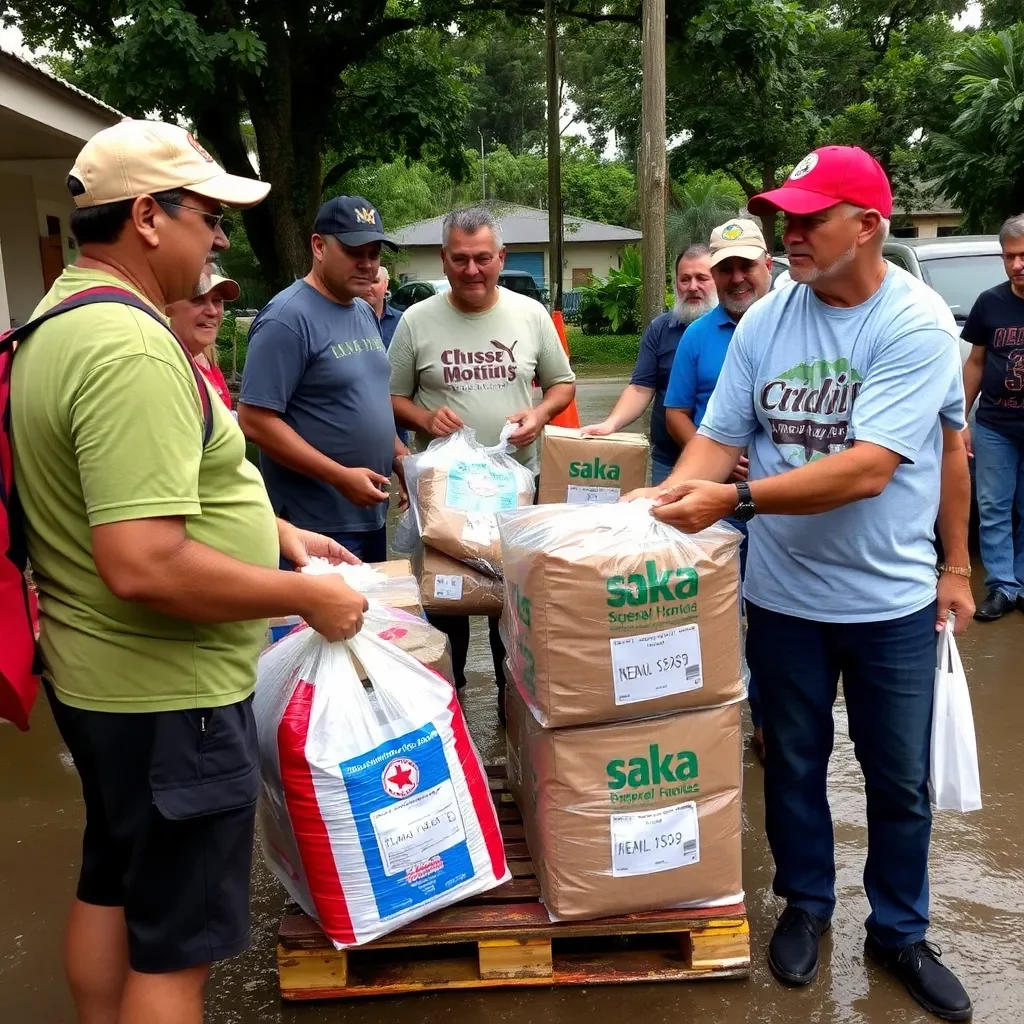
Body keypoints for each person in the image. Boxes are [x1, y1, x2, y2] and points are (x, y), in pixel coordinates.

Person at [10, 119, 367, 1024]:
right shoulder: (131, 348)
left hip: (100, 684)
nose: (217, 238)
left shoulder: (56, 320)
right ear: (146, 217)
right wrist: (305, 598)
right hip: (167, 697)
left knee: (114, 883)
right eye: (206, 216)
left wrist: (273, 534)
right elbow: (142, 561)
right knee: (176, 953)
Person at [627, 147, 975, 1022]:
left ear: (867, 226)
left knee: (897, 780)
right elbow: (717, 435)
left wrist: (957, 566)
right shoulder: (766, 321)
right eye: (787, 215)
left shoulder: (918, 323)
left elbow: (872, 469)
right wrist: (659, 498)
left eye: (811, 217)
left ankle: (898, 930)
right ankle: (807, 906)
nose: (792, 232)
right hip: (782, 599)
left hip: (888, 600)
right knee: (791, 762)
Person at [389, 207, 576, 715]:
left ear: (502, 258)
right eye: (460, 259)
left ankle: (513, 709)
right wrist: (426, 420)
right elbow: (391, 398)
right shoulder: (416, 320)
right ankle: (446, 712)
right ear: (444, 260)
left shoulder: (529, 314)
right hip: (447, 495)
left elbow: (563, 384)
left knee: (512, 606)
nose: (472, 270)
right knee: (445, 603)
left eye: (483, 259)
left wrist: (539, 414)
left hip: (516, 490)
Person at [239, 196, 409, 564]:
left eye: (374, 253)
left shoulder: (363, 311)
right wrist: (338, 476)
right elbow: (255, 420)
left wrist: (400, 457)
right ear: (318, 246)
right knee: (319, 624)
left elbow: (370, 397)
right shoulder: (286, 319)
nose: (366, 264)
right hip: (313, 527)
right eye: (353, 251)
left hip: (369, 516)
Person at [662, 218, 772, 761]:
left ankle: (768, 719)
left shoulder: (785, 325)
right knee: (719, 610)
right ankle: (721, 715)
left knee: (771, 616)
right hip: (718, 497)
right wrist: (715, 470)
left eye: (742, 267)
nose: (734, 279)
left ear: (766, 266)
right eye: (723, 269)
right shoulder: (698, 336)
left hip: (783, 507)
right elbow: (679, 412)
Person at [581, 244, 716, 483]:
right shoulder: (661, 329)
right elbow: (640, 388)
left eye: (701, 278)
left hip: (723, 458)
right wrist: (611, 423)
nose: (692, 287)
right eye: (685, 279)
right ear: (676, 284)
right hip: (669, 460)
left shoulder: (737, 330)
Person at [961, 213, 1024, 621]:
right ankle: (1002, 586)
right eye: (1009, 256)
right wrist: (962, 421)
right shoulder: (990, 302)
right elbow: (976, 364)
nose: (1018, 264)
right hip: (996, 426)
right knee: (993, 506)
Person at [166, 262, 239, 408]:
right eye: (198, 299)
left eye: (217, 300)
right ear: (167, 306)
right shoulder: (164, 369)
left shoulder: (206, 354)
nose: (212, 311)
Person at [365, 264, 403, 348]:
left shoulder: (402, 321)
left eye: (375, 281)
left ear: (386, 284)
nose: (369, 286)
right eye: (364, 281)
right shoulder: (346, 322)